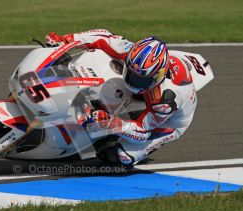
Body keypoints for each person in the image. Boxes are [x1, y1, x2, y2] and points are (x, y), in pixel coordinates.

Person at [45, 29, 197, 166]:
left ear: (159, 76)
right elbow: (103, 37)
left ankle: (108, 139)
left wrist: (112, 123)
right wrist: (65, 40)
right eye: (131, 73)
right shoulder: (134, 54)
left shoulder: (165, 101)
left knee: (121, 157)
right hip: (153, 86)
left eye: (141, 79)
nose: (133, 81)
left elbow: (142, 132)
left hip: (170, 122)